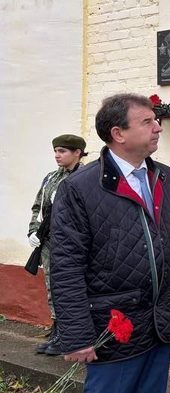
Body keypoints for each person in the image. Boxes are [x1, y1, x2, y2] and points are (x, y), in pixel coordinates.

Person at [50, 93, 170, 393]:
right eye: (148, 121)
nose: (158, 127)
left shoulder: (165, 177)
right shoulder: (81, 188)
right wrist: (77, 334)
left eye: (156, 120)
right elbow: (65, 266)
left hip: (159, 323)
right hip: (113, 327)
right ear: (118, 133)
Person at [27, 134, 87, 356]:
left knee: (69, 289)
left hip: (72, 244)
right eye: (56, 151)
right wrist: (34, 230)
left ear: (77, 153)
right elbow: (38, 206)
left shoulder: (85, 178)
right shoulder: (51, 178)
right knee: (52, 288)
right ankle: (57, 331)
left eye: (62, 151)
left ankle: (69, 335)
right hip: (49, 242)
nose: (57, 155)